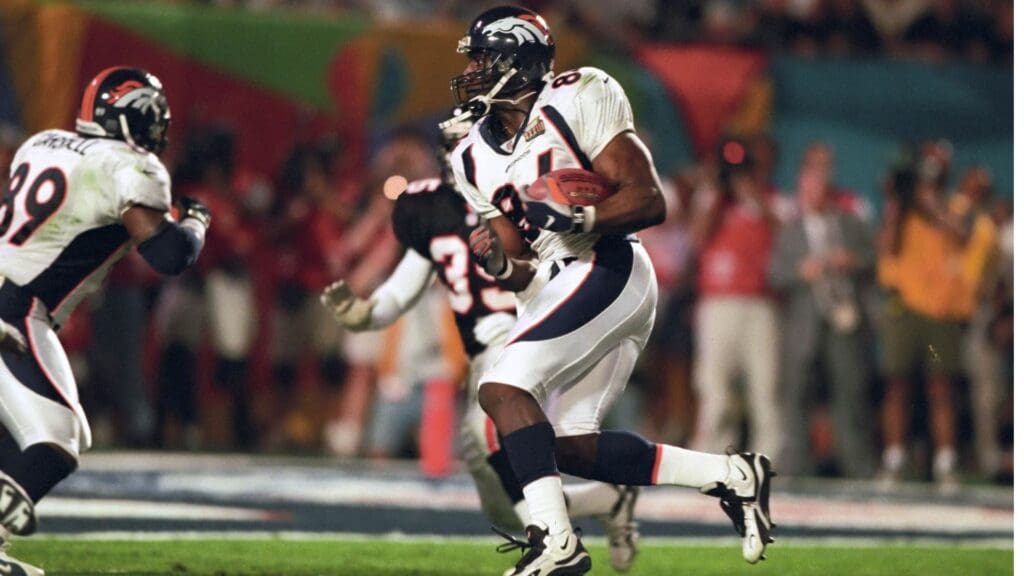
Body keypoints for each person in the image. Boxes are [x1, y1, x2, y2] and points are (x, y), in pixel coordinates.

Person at [445, 7, 774, 575]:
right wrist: (501, 259)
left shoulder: (578, 94)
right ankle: (734, 476)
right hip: (557, 283)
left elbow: (650, 201)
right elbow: (523, 266)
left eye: (484, 56)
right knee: (572, 446)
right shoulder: (468, 156)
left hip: (608, 264)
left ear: (519, 58)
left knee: (501, 388)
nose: (473, 70)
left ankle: (556, 544)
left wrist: (578, 216)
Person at [321, 113, 642, 572]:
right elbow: (403, 287)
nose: (461, 158)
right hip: (485, 353)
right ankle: (600, 502)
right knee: (498, 494)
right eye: (455, 148)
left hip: (531, 338)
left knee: (486, 432)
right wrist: (367, 313)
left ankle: (555, 545)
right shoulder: (435, 211)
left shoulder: (528, 201)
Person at [0, 66, 211, 574]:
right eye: (155, 118)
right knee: (58, 439)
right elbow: (167, 255)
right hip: (17, 310)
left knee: (28, 433)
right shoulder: (129, 166)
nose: (160, 131)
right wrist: (198, 222)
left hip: (14, 298)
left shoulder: (43, 142)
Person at [769, 159, 876, 478]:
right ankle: (797, 465)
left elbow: (872, 260)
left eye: (820, 188)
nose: (814, 194)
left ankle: (856, 465)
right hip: (806, 322)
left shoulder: (849, 224)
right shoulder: (790, 231)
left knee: (849, 392)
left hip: (843, 320)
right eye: (808, 188)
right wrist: (800, 271)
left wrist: (852, 261)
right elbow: (774, 273)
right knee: (797, 394)